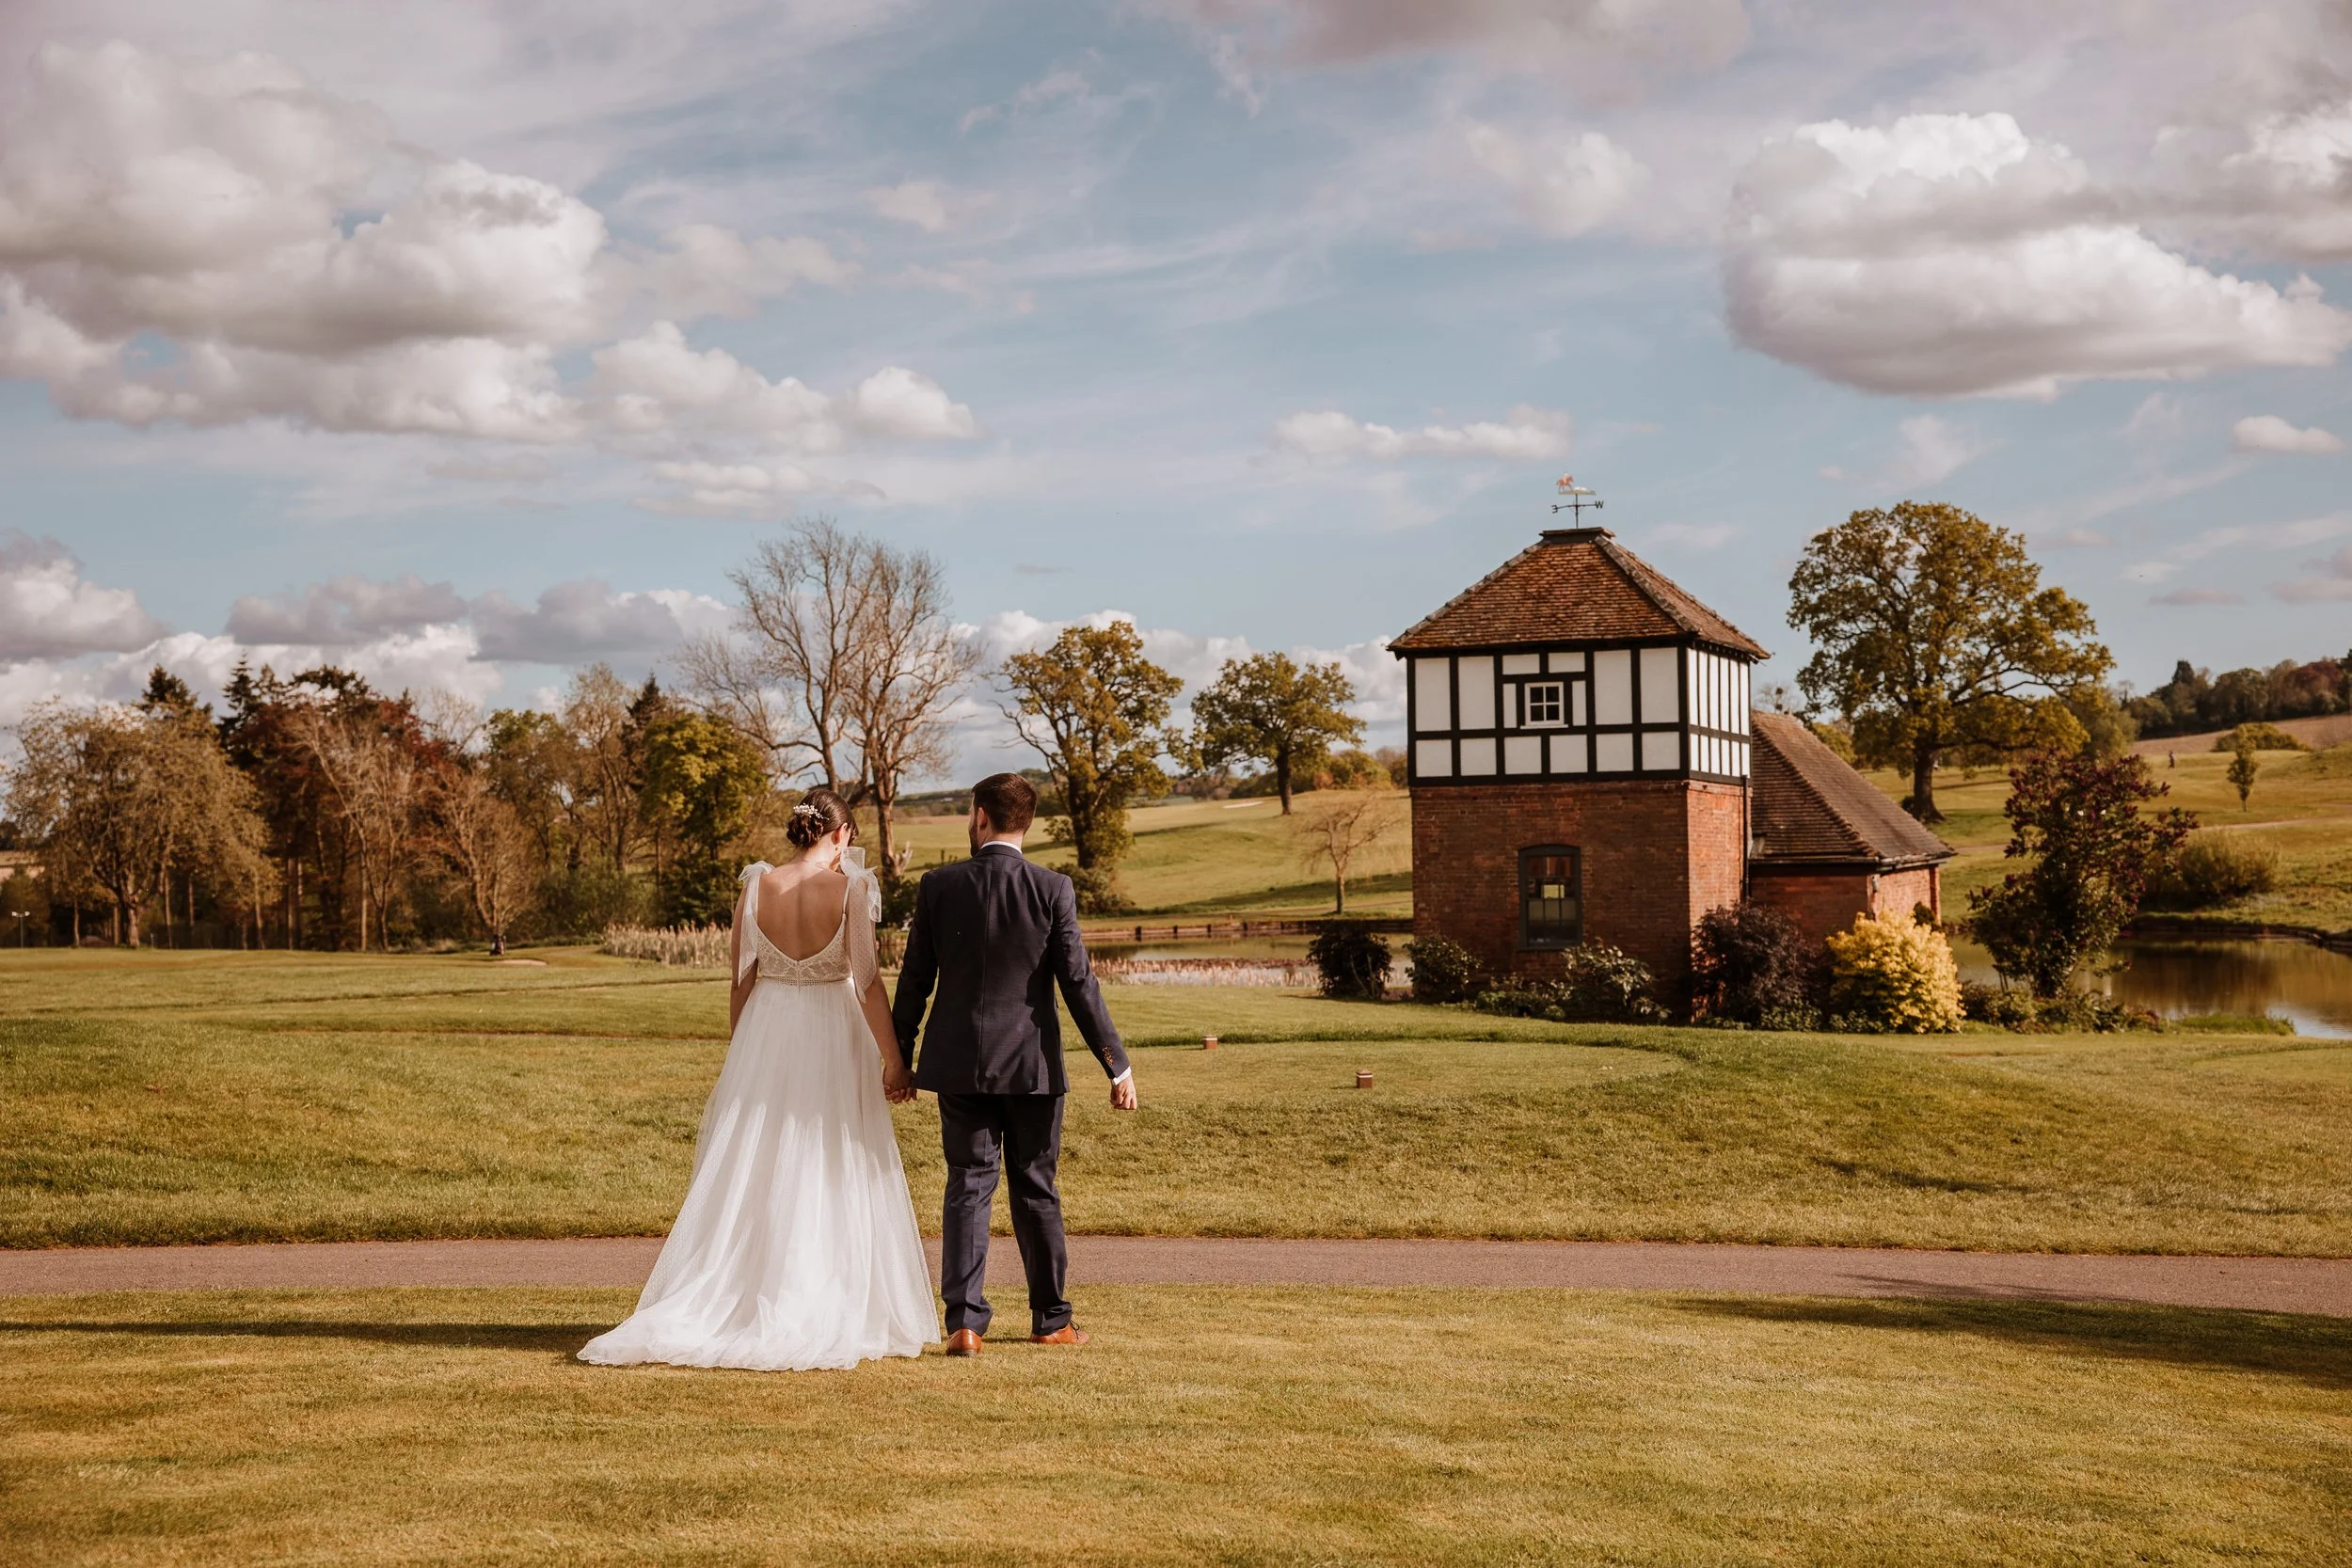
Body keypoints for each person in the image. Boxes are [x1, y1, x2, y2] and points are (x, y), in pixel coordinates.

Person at [578, 787, 936, 1371]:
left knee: (761, 1159)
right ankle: (822, 1294)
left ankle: (743, 1288)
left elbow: (740, 980)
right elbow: (868, 982)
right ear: (841, 835)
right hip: (830, 1024)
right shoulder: (851, 888)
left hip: (768, 1026)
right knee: (830, 1155)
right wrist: (893, 1060)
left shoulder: (757, 884)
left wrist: (744, 1046)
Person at [892, 772, 1136, 1355]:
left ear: (980, 816)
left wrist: (899, 1059)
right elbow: (1079, 984)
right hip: (1032, 1069)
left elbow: (915, 984)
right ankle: (1051, 1320)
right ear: (1026, 822)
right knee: (1036, 1188)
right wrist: (1116, 1064)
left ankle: (965, 1323)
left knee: (968, 1185)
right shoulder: (1053, 888)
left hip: (958, 1067)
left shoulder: (938, 885)